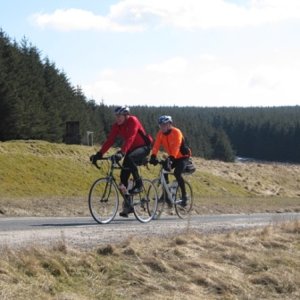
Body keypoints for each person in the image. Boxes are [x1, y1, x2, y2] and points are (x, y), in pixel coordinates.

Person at [90, 106, 151, 217]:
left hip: (144, 147)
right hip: (130, 149)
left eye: (119, 116)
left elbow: (131, 138)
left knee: (130, 158)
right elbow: (110, 141)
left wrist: (122, 153)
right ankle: (128, 205)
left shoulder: (133, 120)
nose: (117, 118)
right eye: (116, 116)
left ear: (126, 115)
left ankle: (139, 183)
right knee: (122, 181)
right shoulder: (116, 126)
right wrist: (99, 154)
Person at [149, 115, 191, 207]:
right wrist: (153, 156)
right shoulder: (160, 134)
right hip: (172, 157)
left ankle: (184, 196)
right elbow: (156, 145)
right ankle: (166, 195)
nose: (162, 127)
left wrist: (171, 159)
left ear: (169, 124)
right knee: (164, 171)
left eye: (164, 125)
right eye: (160, 125)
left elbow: (176, 147)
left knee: (177, 173)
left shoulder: (176, 132)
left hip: (183, 157)